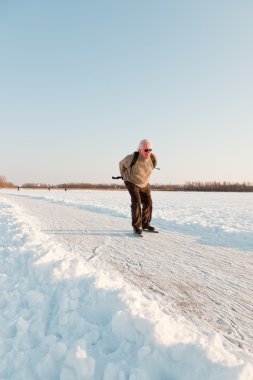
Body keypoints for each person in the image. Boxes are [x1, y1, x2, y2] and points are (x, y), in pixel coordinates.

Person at [119, 139, 157, 235]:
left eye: (150, 150)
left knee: (148, 202)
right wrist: (124, 175)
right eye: (146, 150)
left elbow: (151, 167)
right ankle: (136, 226)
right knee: (136, 201)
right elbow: (121, 164)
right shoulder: (132, 157)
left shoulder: (153, 158)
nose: (148, 152)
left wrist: (144, 177)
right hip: (131, 181)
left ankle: (145, 224)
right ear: (140, 150)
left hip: (144, 183)